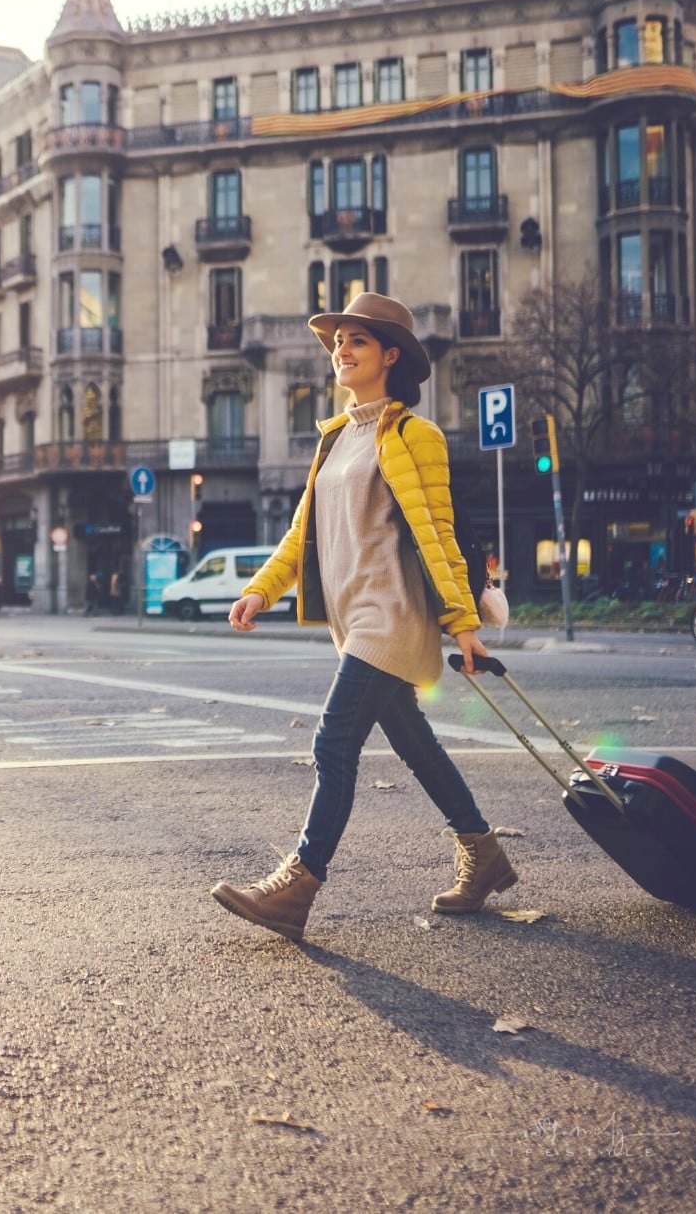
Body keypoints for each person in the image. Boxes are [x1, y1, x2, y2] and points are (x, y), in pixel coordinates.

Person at [211, 292, 517, 942]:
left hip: (393, 616)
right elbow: (301, 536)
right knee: (415, 744)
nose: (339, 351)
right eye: (336, 342)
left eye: (355, 341)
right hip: (353, 620)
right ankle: (484, 853)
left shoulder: (414, 435)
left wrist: (464, 625)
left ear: (390, 355)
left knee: (334, 741)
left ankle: (298, 883)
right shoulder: (334, 439)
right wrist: (260, 592)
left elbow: (438, 533)